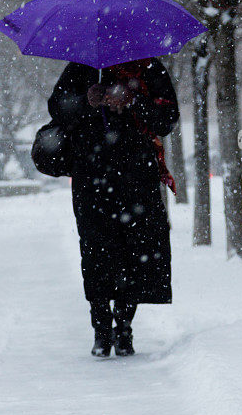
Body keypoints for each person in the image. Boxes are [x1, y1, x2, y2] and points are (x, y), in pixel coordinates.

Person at [48, 57, 179, 357]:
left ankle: (124, 326)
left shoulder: (148, 68)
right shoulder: (81, 68)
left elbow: (166, 118)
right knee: (96, 251)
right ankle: (100, 327)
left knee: (134, 250)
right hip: (91, 176)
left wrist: (133, 101)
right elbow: (57, 107)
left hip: (137, 179)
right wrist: (87, 101)